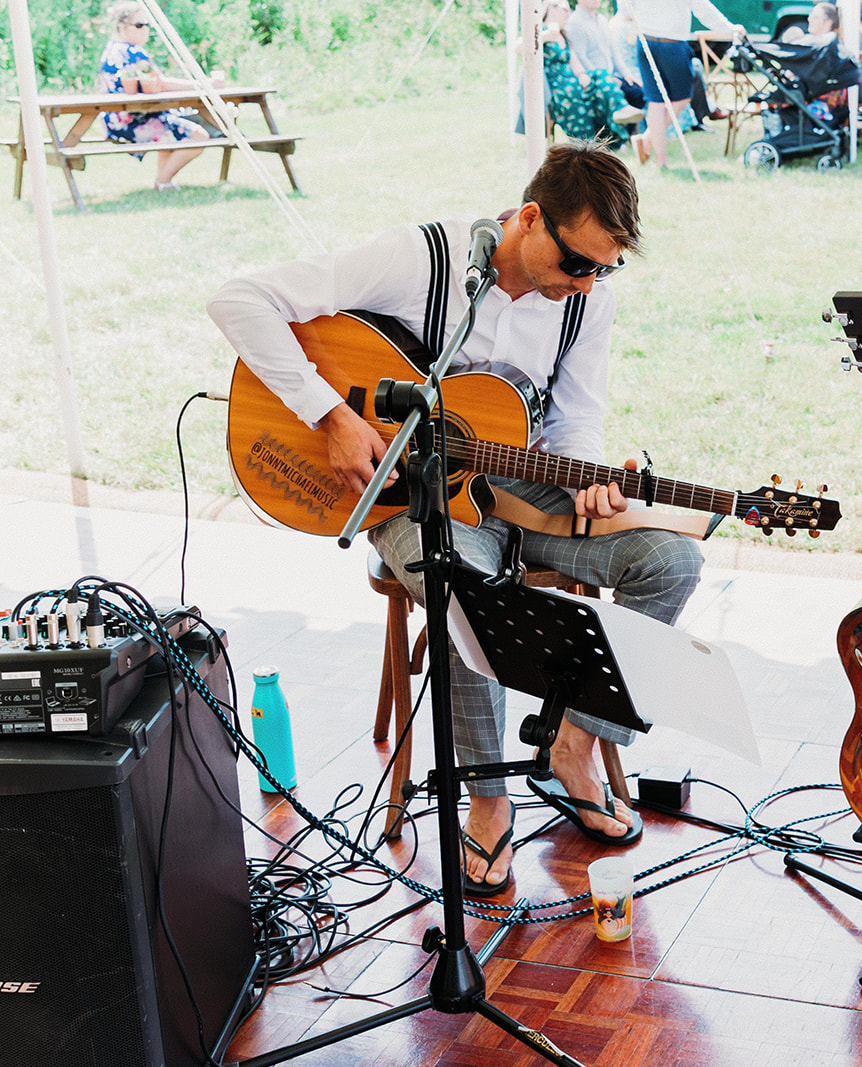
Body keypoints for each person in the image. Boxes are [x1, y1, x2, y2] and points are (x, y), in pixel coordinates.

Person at [208, 143, 703, 894]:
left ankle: (577, 745)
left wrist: (588, 480)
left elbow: (575, 421)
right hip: (409, 495)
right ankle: (487, 798)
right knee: (461, 579)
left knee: (672, 562)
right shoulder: (420, 259)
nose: (588, 283)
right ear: (529, 219)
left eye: (605, 269)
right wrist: (330, 414)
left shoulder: (588, 297)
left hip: (521, 483)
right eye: (577, 263)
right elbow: (238, 299)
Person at [95, 1, 223, 191]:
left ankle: (163, 183)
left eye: (147, 25)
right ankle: (163, 180)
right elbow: (159, 84)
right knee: (199, 136)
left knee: (171, 127)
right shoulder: (132, 52)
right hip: (131, 120)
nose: (145, 30)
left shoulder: (112, 49)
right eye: (139, 25)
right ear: (122, 27)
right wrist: (203, 85)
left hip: (115, 119)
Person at [632, 0, 745, 171]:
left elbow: (626, 8)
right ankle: (649, 142)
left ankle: (659, 158)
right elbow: (703, 9)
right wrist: (730, 29)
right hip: (671, 43)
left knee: (656, 101)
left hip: (646, 40)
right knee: (683, 97)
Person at [541, 2, 633, 147]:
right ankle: (588, 144)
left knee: (600, 80)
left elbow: (574, 60)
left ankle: (616, 123)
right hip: (557, 86)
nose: (567, 13)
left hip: (573, 80)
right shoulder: (540, 31)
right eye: (564, 9)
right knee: (576, 100)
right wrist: (545, 36)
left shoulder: (562, 34)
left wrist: (582, 74)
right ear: (550, 8)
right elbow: (519, 47)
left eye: (568, 10)